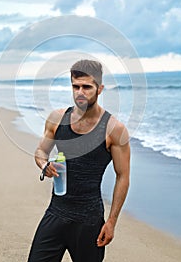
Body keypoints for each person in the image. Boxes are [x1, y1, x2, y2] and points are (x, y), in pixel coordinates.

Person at [27, 59, 130, 262]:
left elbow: (123, 176)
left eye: (87, 87)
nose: (80, 92)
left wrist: (111, 222)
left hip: (89, 221)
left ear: (99, 89)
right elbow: (40, 150)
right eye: (75, 86)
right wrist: (44, 165)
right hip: (56, 212)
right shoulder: (57, 119)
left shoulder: (114, 130)